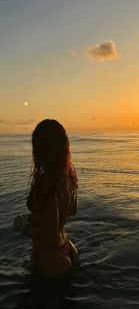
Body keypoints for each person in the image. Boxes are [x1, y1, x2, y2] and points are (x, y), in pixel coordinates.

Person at [13, 119, 78, 277]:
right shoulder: (69, 176)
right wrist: (32, 217)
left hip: (49, 256)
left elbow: (49, 235)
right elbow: (71, 211)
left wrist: (22, 226)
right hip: (68, 247)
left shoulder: (46, 182)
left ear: (40, 148)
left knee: (38, 301)